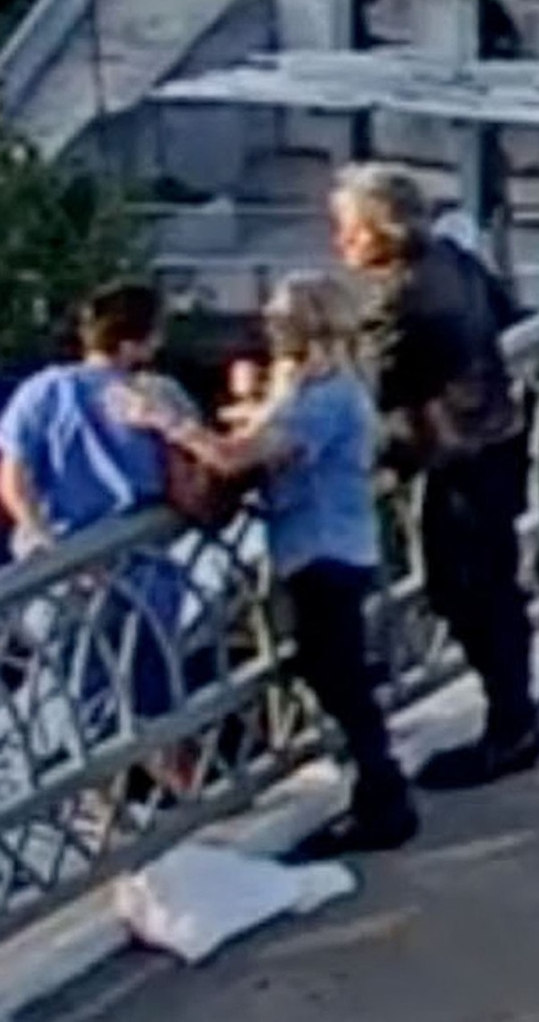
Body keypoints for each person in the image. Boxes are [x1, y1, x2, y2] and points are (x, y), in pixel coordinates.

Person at [112, 272, 419, 857]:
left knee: (336, 674)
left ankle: (384, 797)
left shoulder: (326, 397)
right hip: (329, 545)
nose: (270, 328)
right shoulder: (327, 386)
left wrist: (165, 420)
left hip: (324, 549)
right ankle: (377, 790)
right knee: (331, 668)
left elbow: (234, 459)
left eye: (280, 319)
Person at [331, 163, 539, 791]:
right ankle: (514, 718)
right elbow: (506, 314)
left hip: (461, 457)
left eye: (348, 230)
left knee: (470, 592)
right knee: (490, 586)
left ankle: (511, 729)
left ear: (381, 232)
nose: (340, 244)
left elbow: (369, 388)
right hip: (498, 436)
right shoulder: (455, 260)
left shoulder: (399, 297)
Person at [0, 281, 199, 748]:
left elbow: (12, 482)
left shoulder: (43, 392)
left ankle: (96, 805)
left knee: (75, 705)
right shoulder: (160, 395)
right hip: (145, 567)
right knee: (153, 706)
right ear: (138, 341)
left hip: (64, 573)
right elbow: (193, 475)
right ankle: (178, 795)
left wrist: (48, 543)